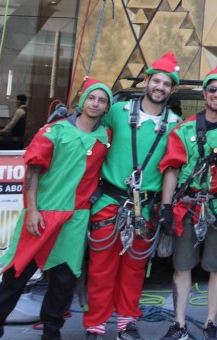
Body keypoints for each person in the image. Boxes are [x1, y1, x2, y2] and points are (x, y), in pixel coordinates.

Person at [0, 79, 112, 340]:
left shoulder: (106, 137)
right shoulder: (53, 131)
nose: (96, 103)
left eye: (102, 100)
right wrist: (32, 210)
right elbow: (32, 170)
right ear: (83, 100)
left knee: (64, 283)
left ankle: (51, 332)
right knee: (16, 276)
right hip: (42, 214)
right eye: (92, 98)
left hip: (75, 220)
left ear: (106, 107)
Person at [83, 52, 182, 340]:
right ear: (147, 81)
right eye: (157, 81)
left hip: (146, 208)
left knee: (135, 268)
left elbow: (171, 169)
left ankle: (126, 322)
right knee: (102, 267)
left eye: (166, 84)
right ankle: (95, 324)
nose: (160, 87)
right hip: (110, 201)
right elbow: (91, 135)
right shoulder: (117, 111)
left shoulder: (174, 124)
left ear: (171, 90)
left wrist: (165, 207)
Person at [158, 59, 217, 340]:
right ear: (204, 93)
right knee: (181, 266)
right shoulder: (183, 130)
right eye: (213, 90)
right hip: (188, 207)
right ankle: (179, 324)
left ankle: (210, 324)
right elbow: (172, 168)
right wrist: (166, 206)